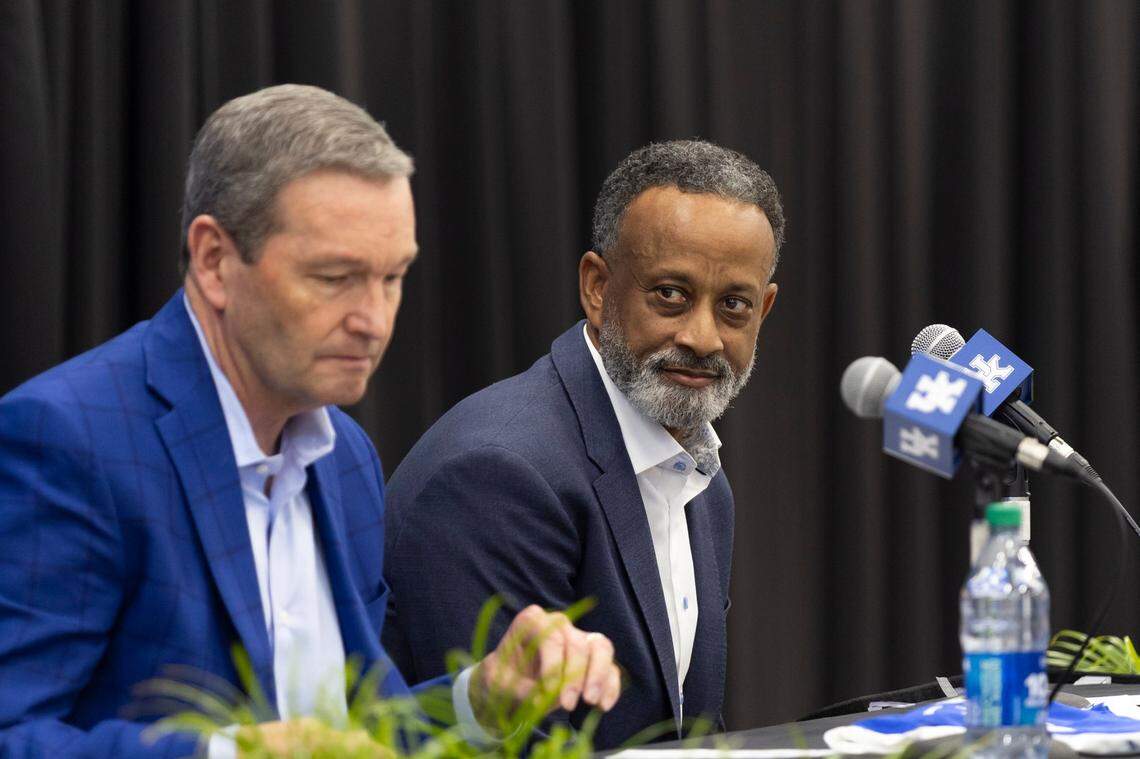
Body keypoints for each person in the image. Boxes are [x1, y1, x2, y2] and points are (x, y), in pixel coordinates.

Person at [0, 84, 620, 758]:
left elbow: (353, 734)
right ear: (214, 261)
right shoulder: (69, 439)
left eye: (392, 277)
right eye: (334, 277)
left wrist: (483, 698)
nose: (373, 320)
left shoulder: (344, 456)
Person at [382, 140, 785, 748]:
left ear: (764, 310)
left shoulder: (700, 475)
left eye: (734, 305)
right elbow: (510, 747)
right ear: (597, 287)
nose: (703, 338)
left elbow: (689, 736)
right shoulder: (499, 474)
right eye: (670, 294)